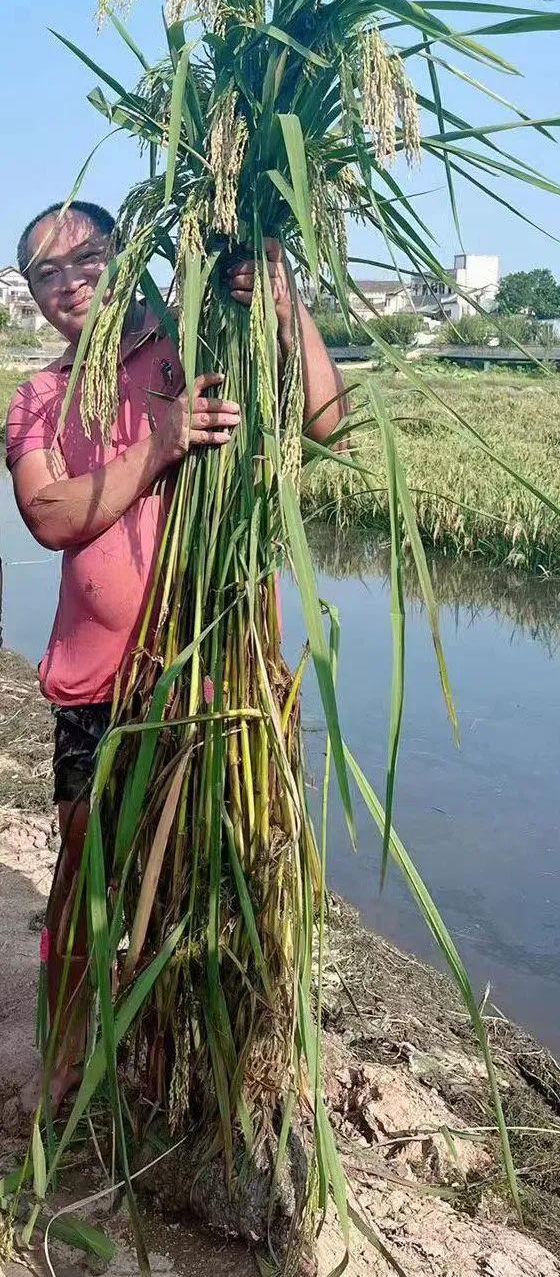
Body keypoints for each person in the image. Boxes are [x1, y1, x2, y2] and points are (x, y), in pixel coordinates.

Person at [6, 199, 345, 1107]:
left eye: (87, 260)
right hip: (92, 682)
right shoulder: (39, 396)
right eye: (46, 272)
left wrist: (279, 298)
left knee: (201, 879)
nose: (69, 283)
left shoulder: (196, 340)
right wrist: (158, 445)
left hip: (206, 675)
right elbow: (49, 515)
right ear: (31, 291)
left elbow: (327, 421)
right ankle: (67, 1053)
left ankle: (205, 1074)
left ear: (123, 259)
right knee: (82, 880)